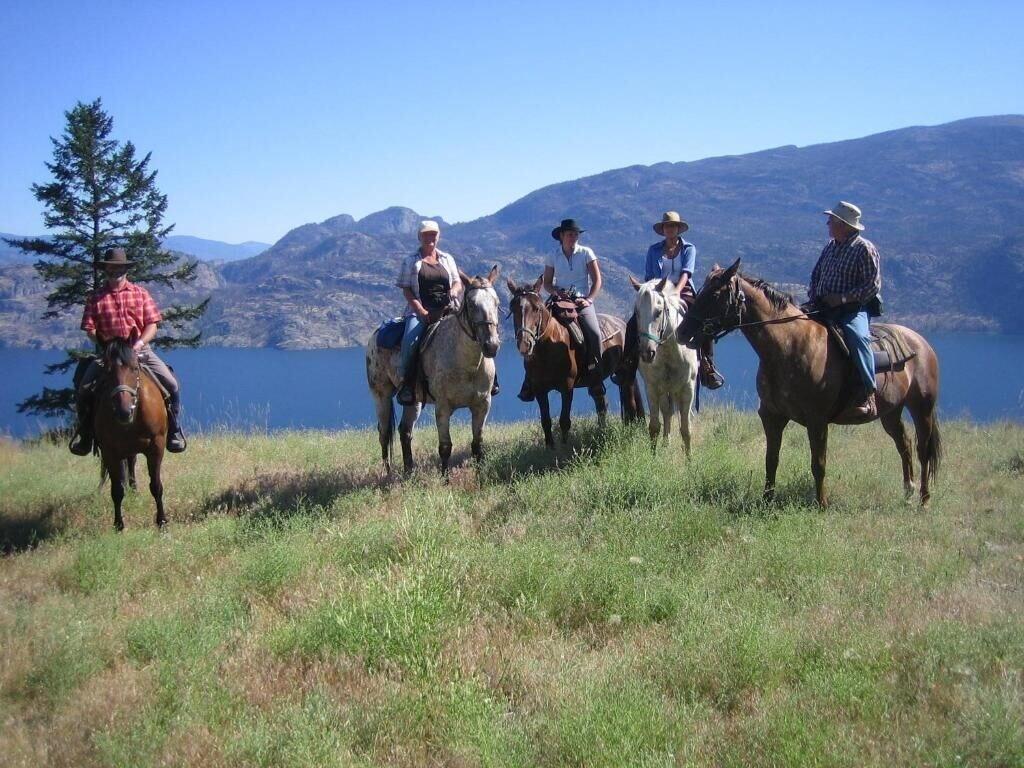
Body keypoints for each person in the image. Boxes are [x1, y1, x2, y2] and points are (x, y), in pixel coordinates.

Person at [70, 247, 187, 455]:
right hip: (109, 355)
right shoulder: (95, 298)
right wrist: (106, 346)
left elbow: (152, 324)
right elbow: (89, 328)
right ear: (105, 271)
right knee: (84, 389)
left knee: (172, 384)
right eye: (110, 271)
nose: (115, 275)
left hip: (140, 351)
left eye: (119, 271)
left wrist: (140, 343)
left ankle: (173, 432)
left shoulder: (140, 294)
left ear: (126, 270)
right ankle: (85, 435)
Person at [615, 211, 724, 388]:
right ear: (663, 229)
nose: (670, 229)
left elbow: (686, 273)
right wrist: (656, 293)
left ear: (678, 229)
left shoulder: (689, 249)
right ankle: (627, 364)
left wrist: (675, 292)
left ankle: (707, 367)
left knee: (702, 321)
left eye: (673, 226)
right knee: (634, 323)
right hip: (657, 292)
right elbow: (650, 276)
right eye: (667, 226)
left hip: (683, 291)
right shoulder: (654, 250)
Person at [395, 221, 499, 405]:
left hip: (449, 308)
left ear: (438, 236)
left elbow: (458, 282)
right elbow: (406, 290)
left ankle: (492, 380)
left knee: (479, 331)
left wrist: (454, 290)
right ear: (419, 237)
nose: (430, 238)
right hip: (420, 311)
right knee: (410, 342)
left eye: (433, 234)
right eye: (426, 234)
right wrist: (420, 309)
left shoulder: (446, 258)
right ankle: (407, 385)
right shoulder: (410, 261)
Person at [807, 201, 882, 418]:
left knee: (858, 337)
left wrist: (841, 299)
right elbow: (816, 274)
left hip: (852, 309)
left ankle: (868, 392)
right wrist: (815, 297)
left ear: (844, 225)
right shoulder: (830, 247)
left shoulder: (864, 249)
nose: (828, 223)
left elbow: (872, 285)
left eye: (831, 220)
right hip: (822, 306)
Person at [518, 218, 605, 402]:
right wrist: (557, 292)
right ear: (562, 236)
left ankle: (595, 374)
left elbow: (597, 280)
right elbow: (548, 283)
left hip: (581, 301)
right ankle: (529, 380)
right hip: (558, 300)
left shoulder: (586, 253)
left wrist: (589, 299)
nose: (573, 237)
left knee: (594, 333)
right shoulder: (552, 256)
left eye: (576, 234)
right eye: (570, 234)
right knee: (535, 330)